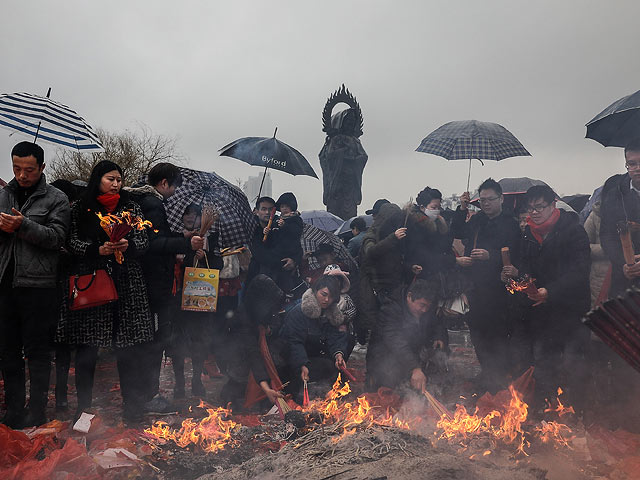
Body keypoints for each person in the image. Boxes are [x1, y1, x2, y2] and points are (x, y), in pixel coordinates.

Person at [55, 160, 153, 423]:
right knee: (88, 350)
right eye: (110, 178)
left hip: (126, 284)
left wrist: (127, 244)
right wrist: (95, 249)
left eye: (119, 179)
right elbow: (70, 240)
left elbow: (144, 239)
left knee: (127, 349)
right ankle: (84, 407)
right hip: (93, 282)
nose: (116, 184)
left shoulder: (130, 207)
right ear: (98, 179)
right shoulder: (81, 208)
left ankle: (132, 405)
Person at [0, 142, 71, 428]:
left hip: (39, 286)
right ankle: (14, 408)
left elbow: (57, 238)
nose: (22, 175)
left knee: (38, 351)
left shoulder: (57, 198)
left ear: (42, 168)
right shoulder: (4, 195)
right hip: (5, 283)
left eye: (29, 169)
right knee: (7, 350)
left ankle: (38, 408)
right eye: (17, 168)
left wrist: (23, 226)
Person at [504, 185, 591, 413]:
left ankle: (578, 413)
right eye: (530, 208)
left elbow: (579, 271)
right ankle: (547, 413)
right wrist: (521, 280)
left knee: (573, 363)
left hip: (571, 310)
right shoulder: (527, 234)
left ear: (553, 205)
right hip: (541, 314)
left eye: (539, 207)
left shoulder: (573, 231)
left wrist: (549, 291)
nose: (534, 212)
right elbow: (526, 267)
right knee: (544, 361)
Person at [127, 163, 204, 413]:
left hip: (146, 282)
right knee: (154, 341)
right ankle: (149, 395)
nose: (173, 192)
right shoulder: (153, 203)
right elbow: (155, 244)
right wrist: (185, 242)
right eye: (173, 187)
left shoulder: (139, 200)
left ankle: (143, 394)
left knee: (148, 340)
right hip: (155, 284)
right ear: (164, 183)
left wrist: (179, 236)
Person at [450, 178, 521, 393]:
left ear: (500, 199)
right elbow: (458, 232)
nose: (486, 203)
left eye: (490, 199)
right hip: (474, 285)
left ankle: (499, 376)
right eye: (482, 200)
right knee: (477, 333)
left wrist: (490, 256)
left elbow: (516, 255)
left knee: (497, 334)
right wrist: (462, 208)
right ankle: (487, 372)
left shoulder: (510, 223)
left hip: (498, 289)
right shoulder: (477, 219)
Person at [171, 203, 223, 399]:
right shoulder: (176, 236)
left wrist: (204, 256)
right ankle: (179, 382)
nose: (191, 217)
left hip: (201, 299)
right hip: (177, 298)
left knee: (199, 341)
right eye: (187, 214)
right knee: (177, 341)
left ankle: (196, 379)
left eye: (195, 214)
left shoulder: (211, 238)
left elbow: (219, 264)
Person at [220, 274, 286, 410]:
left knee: (277, 358)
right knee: (240, 378)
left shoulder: (264, 310)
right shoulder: (242, 319)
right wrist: (266, 387)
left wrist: (269, 330)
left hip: (260, 350)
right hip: (237, 354)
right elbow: (252, 353)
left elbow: (276, 321)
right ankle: (231, 393)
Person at [366, 280, 445, 391]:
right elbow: (395, 341)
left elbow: (436, 321)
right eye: (422, 305)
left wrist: (439, 336)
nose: (425, 310)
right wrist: (414, 368)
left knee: (437, 369)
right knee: (390, 391)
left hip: (413, 353)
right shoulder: (390, 308)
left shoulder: (426, 308)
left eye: (428, 306)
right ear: (409, 296)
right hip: (385, 357)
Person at [281, 274, 350, 403]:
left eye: (331, 297)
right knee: (298, 388)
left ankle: (326, 396)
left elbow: (335, 335)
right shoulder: (299, 312)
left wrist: (338, 353)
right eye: (323, 294)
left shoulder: (331, 313)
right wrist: (302, 364)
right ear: (315, 290)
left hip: (315, 356)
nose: (326, 300)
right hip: (293, 359)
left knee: (332, 367)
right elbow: (293, 342)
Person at [600, 138, 640, 297]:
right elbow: (606, 235)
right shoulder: (614, 191)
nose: (638, 168)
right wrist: (623, 263)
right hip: (625, 277)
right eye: (632, 164)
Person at [247, 194, 304, 298]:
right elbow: (261, 255)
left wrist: (294, 260)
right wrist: (281, 262)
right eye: (263, 209)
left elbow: (296, 245)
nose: (267, 212)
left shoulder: (280, 223)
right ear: (256, 211)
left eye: (270, 209)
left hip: (280, 280)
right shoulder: (251, 227)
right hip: (258, 276)